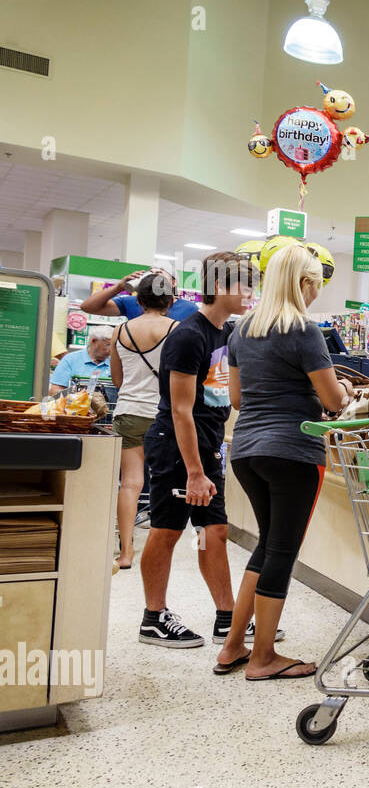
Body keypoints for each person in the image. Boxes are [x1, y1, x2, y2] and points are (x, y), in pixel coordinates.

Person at [216, 244, 353, 678]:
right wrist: (341, 392)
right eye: (315, 285)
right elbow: (332, 401)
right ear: (304, 283)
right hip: (293, 452)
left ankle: (233, 647)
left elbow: (236, 398)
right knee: (282, 551)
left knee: (267, 545)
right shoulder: (304, 331)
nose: (315, 294)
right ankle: (263, 658)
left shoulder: (241, 331)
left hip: (247, 452)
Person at [136, 251, 250, 649]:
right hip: (177, 447)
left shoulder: (226, 333)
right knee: (167, 531)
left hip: (208, 445)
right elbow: (181, 410)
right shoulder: (189, 336)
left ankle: (226, 616)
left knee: (213, 531)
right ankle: (154, 617)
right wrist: (195, 472)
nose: (250, 293)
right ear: (220, 287)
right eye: (244, 285)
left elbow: (225, 396)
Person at [109, 272, 178, 570]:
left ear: (138, 300)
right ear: (171, 301)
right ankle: (159, 552)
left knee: (131, 483)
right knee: (166, 484)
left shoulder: (120, 330)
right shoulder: (177, 329)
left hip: (128, 411)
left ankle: (126, 553)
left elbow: (117, 379)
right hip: (164, 414)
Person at [81, 268, 199, 321]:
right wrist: (119, 287)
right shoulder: (130, 302)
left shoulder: (190, 309)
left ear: (173, 282)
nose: (153, 277)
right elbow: (88, 307)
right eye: (149, 274)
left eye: (159, 273)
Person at [49, 325, 113, 395]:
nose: (110, 350)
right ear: (93, 341)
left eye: (114, 346)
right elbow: (54, 391)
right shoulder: (70, 360)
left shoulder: (116, 363)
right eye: (108, 345)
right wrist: (74, 395)